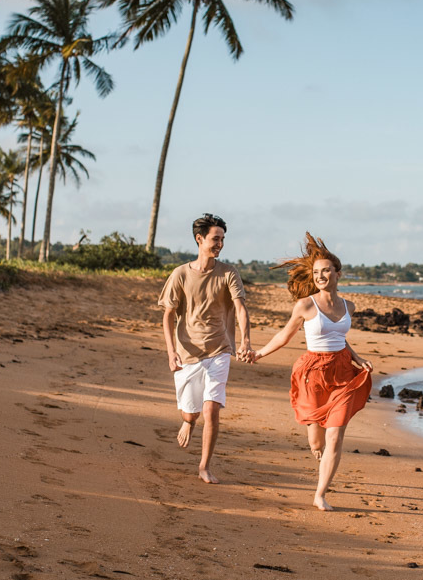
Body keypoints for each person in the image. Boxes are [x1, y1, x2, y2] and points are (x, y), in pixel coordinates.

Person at [249, 233, 372, 510]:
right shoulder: (306, 305)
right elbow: (284, 335)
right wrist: (259, 353)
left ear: (337, 273)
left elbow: (339, 337)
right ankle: (316, 446)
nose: (321, 275)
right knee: (316, 440)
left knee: (335, 434)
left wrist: (356, 357)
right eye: (316, 272)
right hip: (313, 373)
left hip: (342, 372)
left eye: (326, 270)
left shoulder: (348, 306)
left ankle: (320, 494)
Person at [159, 213, 252, 484]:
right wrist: (170, 351)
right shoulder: (180, 274)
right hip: (187, 353)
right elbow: (168, 315)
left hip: (220, 350)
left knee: (212, 408)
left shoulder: (228, 273)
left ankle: (204, 466)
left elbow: (240, 308)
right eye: (215, 238)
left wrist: (245, 340)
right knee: (191, 412)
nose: (220, 244)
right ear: (199, 239)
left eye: (222, 239)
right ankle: (188, 421)